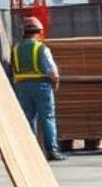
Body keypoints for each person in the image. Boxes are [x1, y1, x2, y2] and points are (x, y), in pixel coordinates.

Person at [10, 16, 64, 162]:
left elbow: (12, 69)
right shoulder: (40, 48)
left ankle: (31, 152)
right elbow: (51, 69)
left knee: (28, 119)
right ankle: (51, 151)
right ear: (39, 31)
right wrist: (56, 81)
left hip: (21, 87)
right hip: (41, 86)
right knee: (47, 118)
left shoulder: (15, 48)